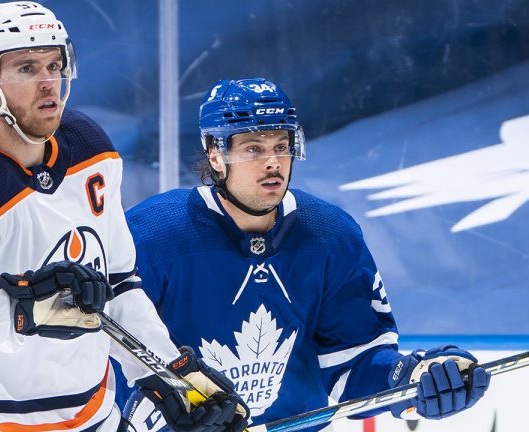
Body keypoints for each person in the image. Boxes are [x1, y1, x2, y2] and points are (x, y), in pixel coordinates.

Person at [0, 3, 248, 432]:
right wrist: (25, 307)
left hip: (94, 418)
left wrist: (169, 375)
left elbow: (118, 284)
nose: (49, 82)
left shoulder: (90, 147)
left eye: (54, 64)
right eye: (27, 68)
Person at [119, 78, 491, 431]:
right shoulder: (151, 235)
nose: (273, 163)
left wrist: (414, 377)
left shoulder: (329, 235)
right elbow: (109, 355)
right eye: (254, 149)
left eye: (281, 147)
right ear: (216, 155)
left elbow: (354, 363)